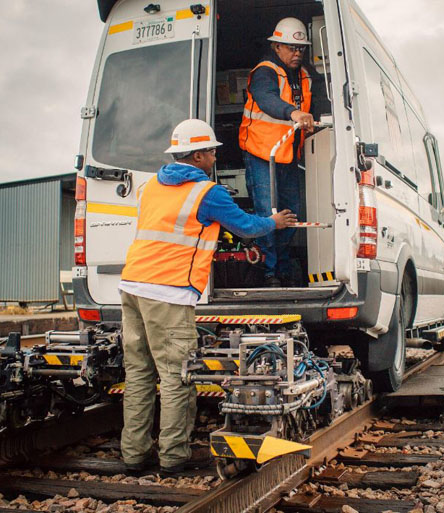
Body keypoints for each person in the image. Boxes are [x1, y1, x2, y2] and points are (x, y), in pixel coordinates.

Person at [118, 119, 296, 474]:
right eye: (212, 151)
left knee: (138, 374)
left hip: (132, 285)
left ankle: (134, 456)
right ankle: (173, 458)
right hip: (168, 292)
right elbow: (246, 226)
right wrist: (274, 222)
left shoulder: (151, 185)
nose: (215, 156)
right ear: (197, 155)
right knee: (176, 377)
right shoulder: (207, 192)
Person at [239, 17, 315, 288]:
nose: (297, 53)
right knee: (267, 214)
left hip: (288, 156)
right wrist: (293, 112)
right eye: (290, 48)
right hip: (262, 152)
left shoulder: (304, 76)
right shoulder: (265, 71)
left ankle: (281, 267)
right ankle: (268, 272)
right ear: (276, 47)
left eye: (301, 49)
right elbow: (267, 99)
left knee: (291, 214)